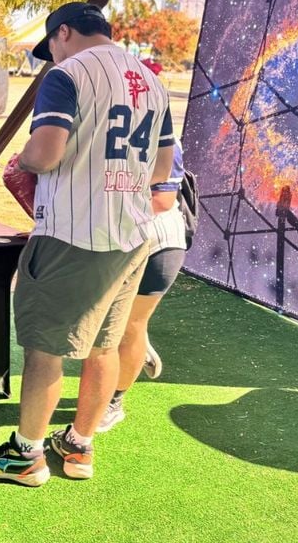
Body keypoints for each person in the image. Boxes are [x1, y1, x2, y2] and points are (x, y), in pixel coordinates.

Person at [0, 2, 174, 486]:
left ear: (63, 34)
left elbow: (44, 154)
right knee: (103, 344)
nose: (50, 58)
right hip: (132, 234)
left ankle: (26, 455)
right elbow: (161, 172)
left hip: (73, 233)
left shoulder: (67, 75)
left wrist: (24, 158)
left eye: (50, 48)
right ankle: (79, 446)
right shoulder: (151, 79)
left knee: (45, 349)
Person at [97, 69, 187, 432]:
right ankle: (139, 347)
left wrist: (111, 215)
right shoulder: (102, 124)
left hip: (157, 242)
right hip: (121, 238)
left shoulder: (162, 136)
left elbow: (163, 200)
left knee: (128, 327)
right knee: (109, 324)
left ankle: (114, 401)